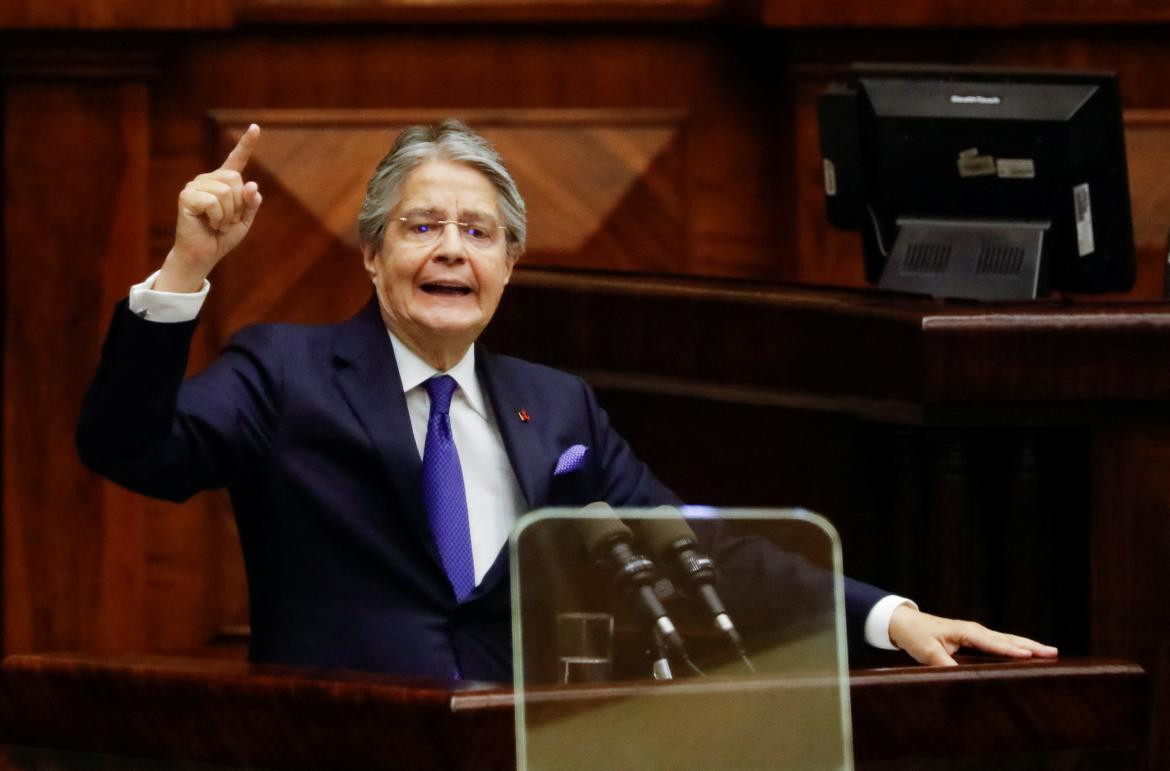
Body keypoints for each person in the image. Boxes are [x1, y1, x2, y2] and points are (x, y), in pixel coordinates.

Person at [77, 120, 1057, 680]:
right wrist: (185, 267)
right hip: (346, 744)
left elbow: (692, 548)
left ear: (510, 265)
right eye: (421, 226)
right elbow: (130, 450)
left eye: (477, 230)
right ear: (373, 257)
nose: (451, 249)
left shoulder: (558, 404)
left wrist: (887, 617)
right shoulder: (283, 371)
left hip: (524, 745)